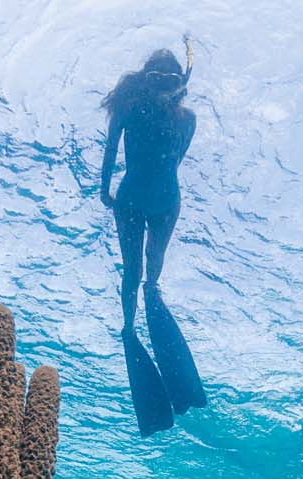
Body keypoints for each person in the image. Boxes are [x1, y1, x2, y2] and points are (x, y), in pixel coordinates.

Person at [101, 42, 206, 436]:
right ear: (145, 81)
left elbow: (176, 159)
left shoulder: (188, 119)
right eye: (156, 78)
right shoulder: (129, 108)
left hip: (164, 204)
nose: (163, 85)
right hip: (130, 201)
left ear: (180, 84)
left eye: (171, 80)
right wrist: (103, 188)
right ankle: (129, 326)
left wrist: (113, 188)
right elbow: (112, 146)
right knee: (132, 271)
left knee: (152, 269)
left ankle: (152, 295)